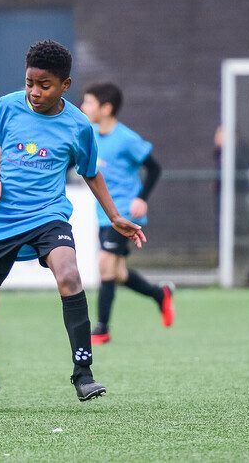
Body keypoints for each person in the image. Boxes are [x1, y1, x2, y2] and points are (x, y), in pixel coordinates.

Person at [0, 40, 146, 407]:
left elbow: (91, 174)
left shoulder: (78, 125)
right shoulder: (8, 107)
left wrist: (114, 216)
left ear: (65, 85)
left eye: (44, 85)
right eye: (30, 82)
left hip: (48, 216)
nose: (34, 91)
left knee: (69, 275)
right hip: (0, 221)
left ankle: (83, 374)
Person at [80, 83, 174, 346]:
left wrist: (141, 199)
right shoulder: (91, 136)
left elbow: (155, 169)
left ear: (106, 108)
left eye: (88, 103)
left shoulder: (127, 139)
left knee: (104, 265)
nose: (83, 107)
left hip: (124, 217)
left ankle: (102, 329)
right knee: (118, 273)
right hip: (104, 215)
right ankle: (160, 294)